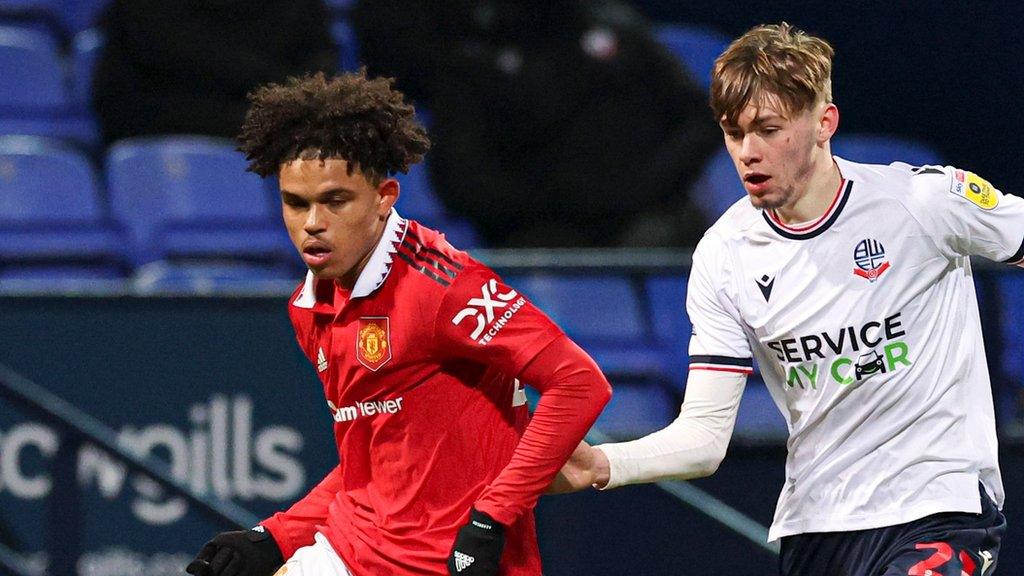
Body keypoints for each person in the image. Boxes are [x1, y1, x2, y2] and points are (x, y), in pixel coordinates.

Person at [553, 22, 1023, 575]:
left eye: (769, 129)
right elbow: (704, 439)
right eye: (733, 133)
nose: (748, 153)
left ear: (824, 123)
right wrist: (601, 464)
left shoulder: (921, 203)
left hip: (940, 508)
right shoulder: (724, 256)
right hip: (817, 526)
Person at [182, 70, 611, 576]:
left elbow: (579, 383)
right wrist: (275, 537)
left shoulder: (445, 285)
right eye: (295, 203)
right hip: (350, 549)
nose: (312, 223)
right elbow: (371, 469)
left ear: (384, 196)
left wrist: (492, 519)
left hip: (450, 563)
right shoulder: (308, 304)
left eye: (335, 200)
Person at [351, 0, 720, 248]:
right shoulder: (472, 62)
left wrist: (638, 189)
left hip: (646, 220)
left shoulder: (620, 33)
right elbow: (462, 180)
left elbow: (701, 121)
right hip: (537, 241)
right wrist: (554, 205)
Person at [92, 0, 337, 147]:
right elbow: (120, 107)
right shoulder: (142, 12)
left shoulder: (298, 9)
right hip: (164, 153)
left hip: (282, 145)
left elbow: (317, 86)